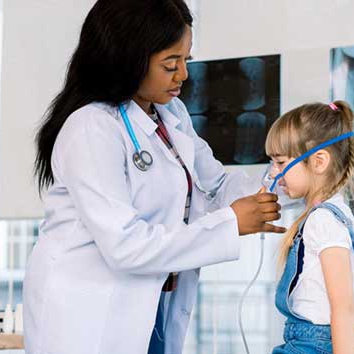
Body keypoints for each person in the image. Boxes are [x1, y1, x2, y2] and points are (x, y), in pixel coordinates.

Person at [24, 1, 285, 354]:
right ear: (127, 58)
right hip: (90, 314)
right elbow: (125, 246)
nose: (183, 76)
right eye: (170, 64)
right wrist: (230, 225)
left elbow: (215, 186)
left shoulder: (170, 113)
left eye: (186, 61)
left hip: (153, 305)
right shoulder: (91, 128)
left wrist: (284, 177)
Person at [264, 101, 354, 354]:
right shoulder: (331, 214)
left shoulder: (323, 220)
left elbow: (343, 308)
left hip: (316, 344)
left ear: (319, 161)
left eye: (280, 163)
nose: (273, 173)